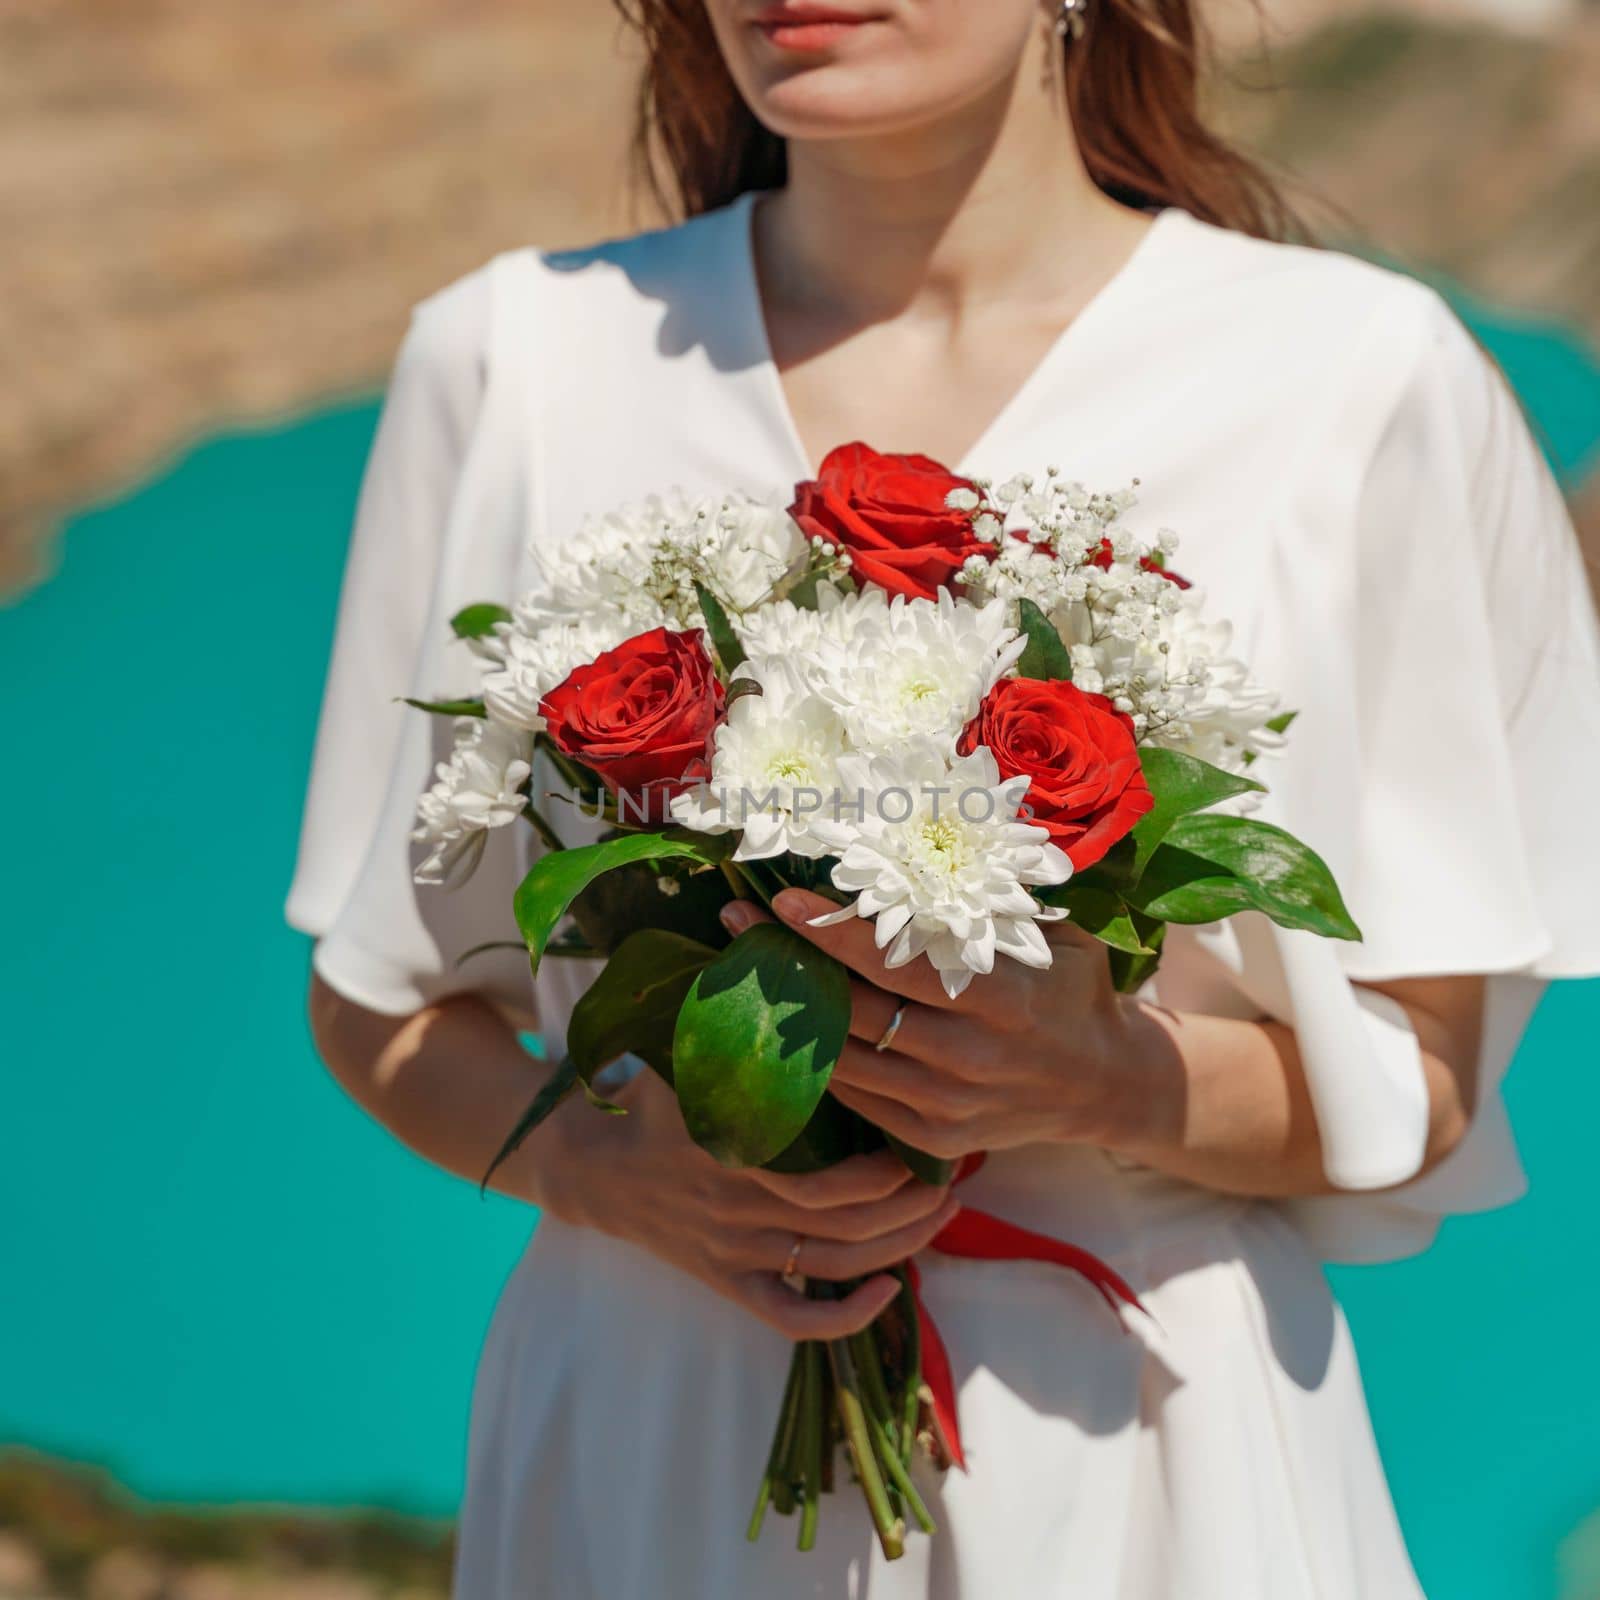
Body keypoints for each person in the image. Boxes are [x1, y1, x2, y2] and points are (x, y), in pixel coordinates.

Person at [286, 2, 1600, 1595]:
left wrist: (1106, 1080)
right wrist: (600, 1166)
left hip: (1136, 1458)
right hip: (650, 1424)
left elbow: (1425, 1078)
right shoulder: (510, 360)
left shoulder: (1359, 382)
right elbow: (377, 999)